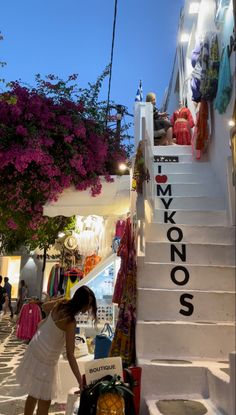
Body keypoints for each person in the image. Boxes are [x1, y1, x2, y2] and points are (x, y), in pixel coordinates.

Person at [16, 285, 97, 415]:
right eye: (88, 304)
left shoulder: (61, 303)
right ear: (82, 303)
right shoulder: (70, 321)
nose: (88, 308)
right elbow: (70, 355)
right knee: (44, 400)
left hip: (36, 347)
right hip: (46, 359)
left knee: (33, 393)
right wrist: (80, 381)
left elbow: (45, 307)